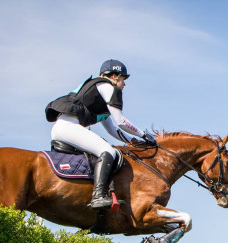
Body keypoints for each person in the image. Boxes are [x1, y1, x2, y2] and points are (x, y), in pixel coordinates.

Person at [45, 59, 157, 210]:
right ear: (115, 76)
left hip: (62, 129)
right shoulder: (107, 86)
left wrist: (133, 141)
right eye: (123, 79)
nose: (124, 84)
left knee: (102, 149)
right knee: (108, 151)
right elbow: (121, 121)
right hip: (68, 127)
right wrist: (144, 135)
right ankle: (98, 196)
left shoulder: (99, 95)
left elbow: (112, 130)